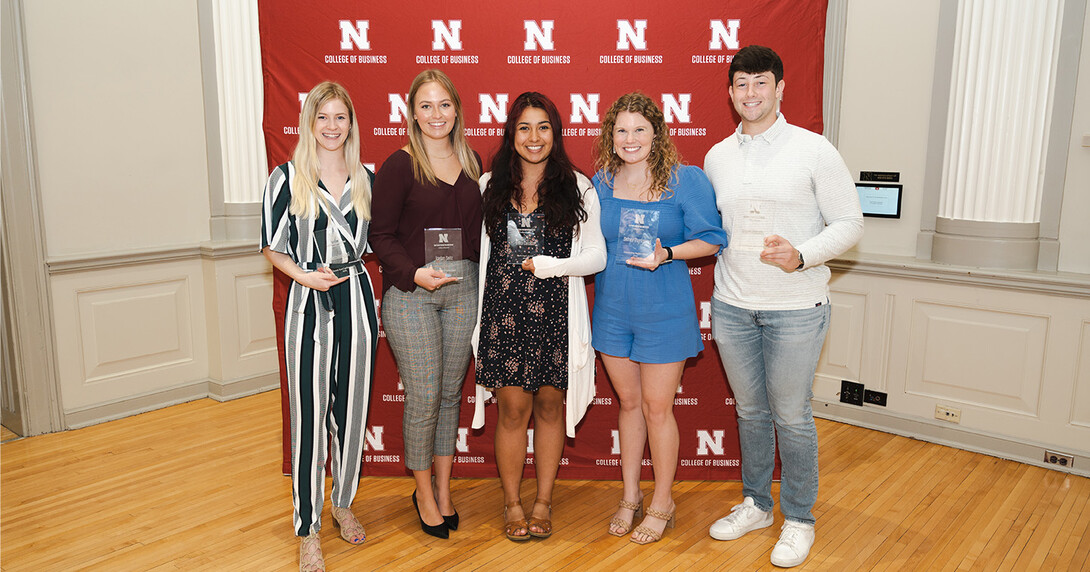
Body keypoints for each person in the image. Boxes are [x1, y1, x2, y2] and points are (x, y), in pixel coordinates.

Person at [703, 45, 864, 568]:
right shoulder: (717, 157)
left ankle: (799, 518)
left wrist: (801, 255)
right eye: (741, 84)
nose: (751, 93)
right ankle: (756, 502)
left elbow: (850, 224)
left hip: (797, 307)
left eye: (760, 83)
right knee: (750, 412)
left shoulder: (815, 149)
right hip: (731, 306)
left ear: (779, 88)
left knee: (792, 417)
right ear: (730, 93)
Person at [469, 92, 606, 542]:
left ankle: (543, 501)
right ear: (512, 133)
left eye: (543, 127)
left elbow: (597, 257)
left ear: (555, 133)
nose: (534, 137)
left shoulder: (578, 186)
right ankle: (511, 502)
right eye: (524, 127)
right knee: (511, 410)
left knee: (550, 406)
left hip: (556, 315)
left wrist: (556, 266)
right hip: (503, 312)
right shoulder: (489, 184)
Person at [591, 93, 727, 545]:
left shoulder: (685, 179)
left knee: (656, 409)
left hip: (664, 311)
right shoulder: (602, 181)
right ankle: (630, 495)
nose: (630, 139)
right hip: (612, 312)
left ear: (657, 133)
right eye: (622, 130)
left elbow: (711, 239)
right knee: (628, 406)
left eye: (640, 130)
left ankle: (663, 500)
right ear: (611, 135)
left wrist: (667, 253)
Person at [261, 81, 377, 572]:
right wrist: (305, 276)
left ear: (351, 123)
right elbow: (271, 246)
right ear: (309, 122)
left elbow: (379, 241)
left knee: (351, 414)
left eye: (340, 117)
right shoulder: (286, 177)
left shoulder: (367, 176)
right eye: (322, 117)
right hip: (308, 299)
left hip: (356, 298)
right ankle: (307, 528)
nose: (332, 127)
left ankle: (343, 501)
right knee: (309, 418)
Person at [370, 69, 482, 540]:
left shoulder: (474, 161)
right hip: (413, 293)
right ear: (412, 113)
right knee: (425, 395)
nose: (437, 115)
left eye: (445, 105)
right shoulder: (399, 164)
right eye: (426, 106)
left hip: (462, 289)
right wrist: (414, 273)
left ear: (457, 108)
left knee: (452, 394)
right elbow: (381, 236)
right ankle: (420, 491)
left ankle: (443, 485)